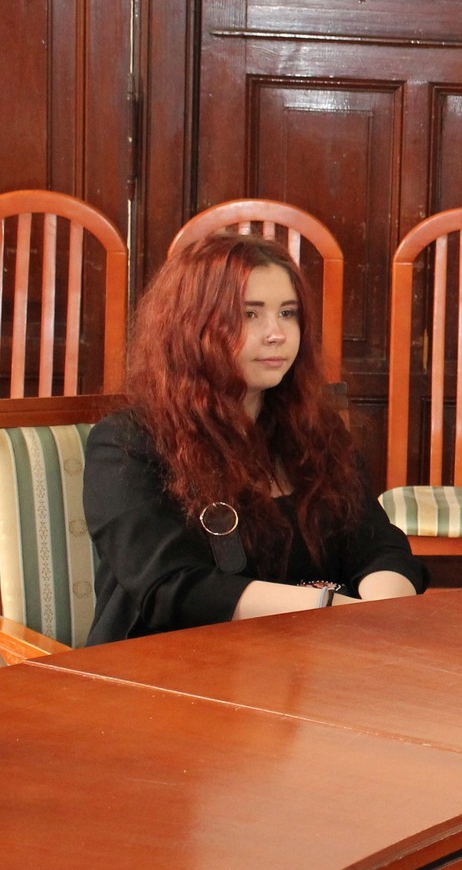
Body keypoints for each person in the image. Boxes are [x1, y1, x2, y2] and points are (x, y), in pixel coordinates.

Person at [84, 232, 425, 644]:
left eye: (288, 313)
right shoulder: (126, 442)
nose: (276, 333)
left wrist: (382, 613)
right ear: (192, 326)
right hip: (165, 667)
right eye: (249, 314)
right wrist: (332, 609)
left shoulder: (316, 430)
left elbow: (377, 547)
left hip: (307, 659)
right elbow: (171, 587)